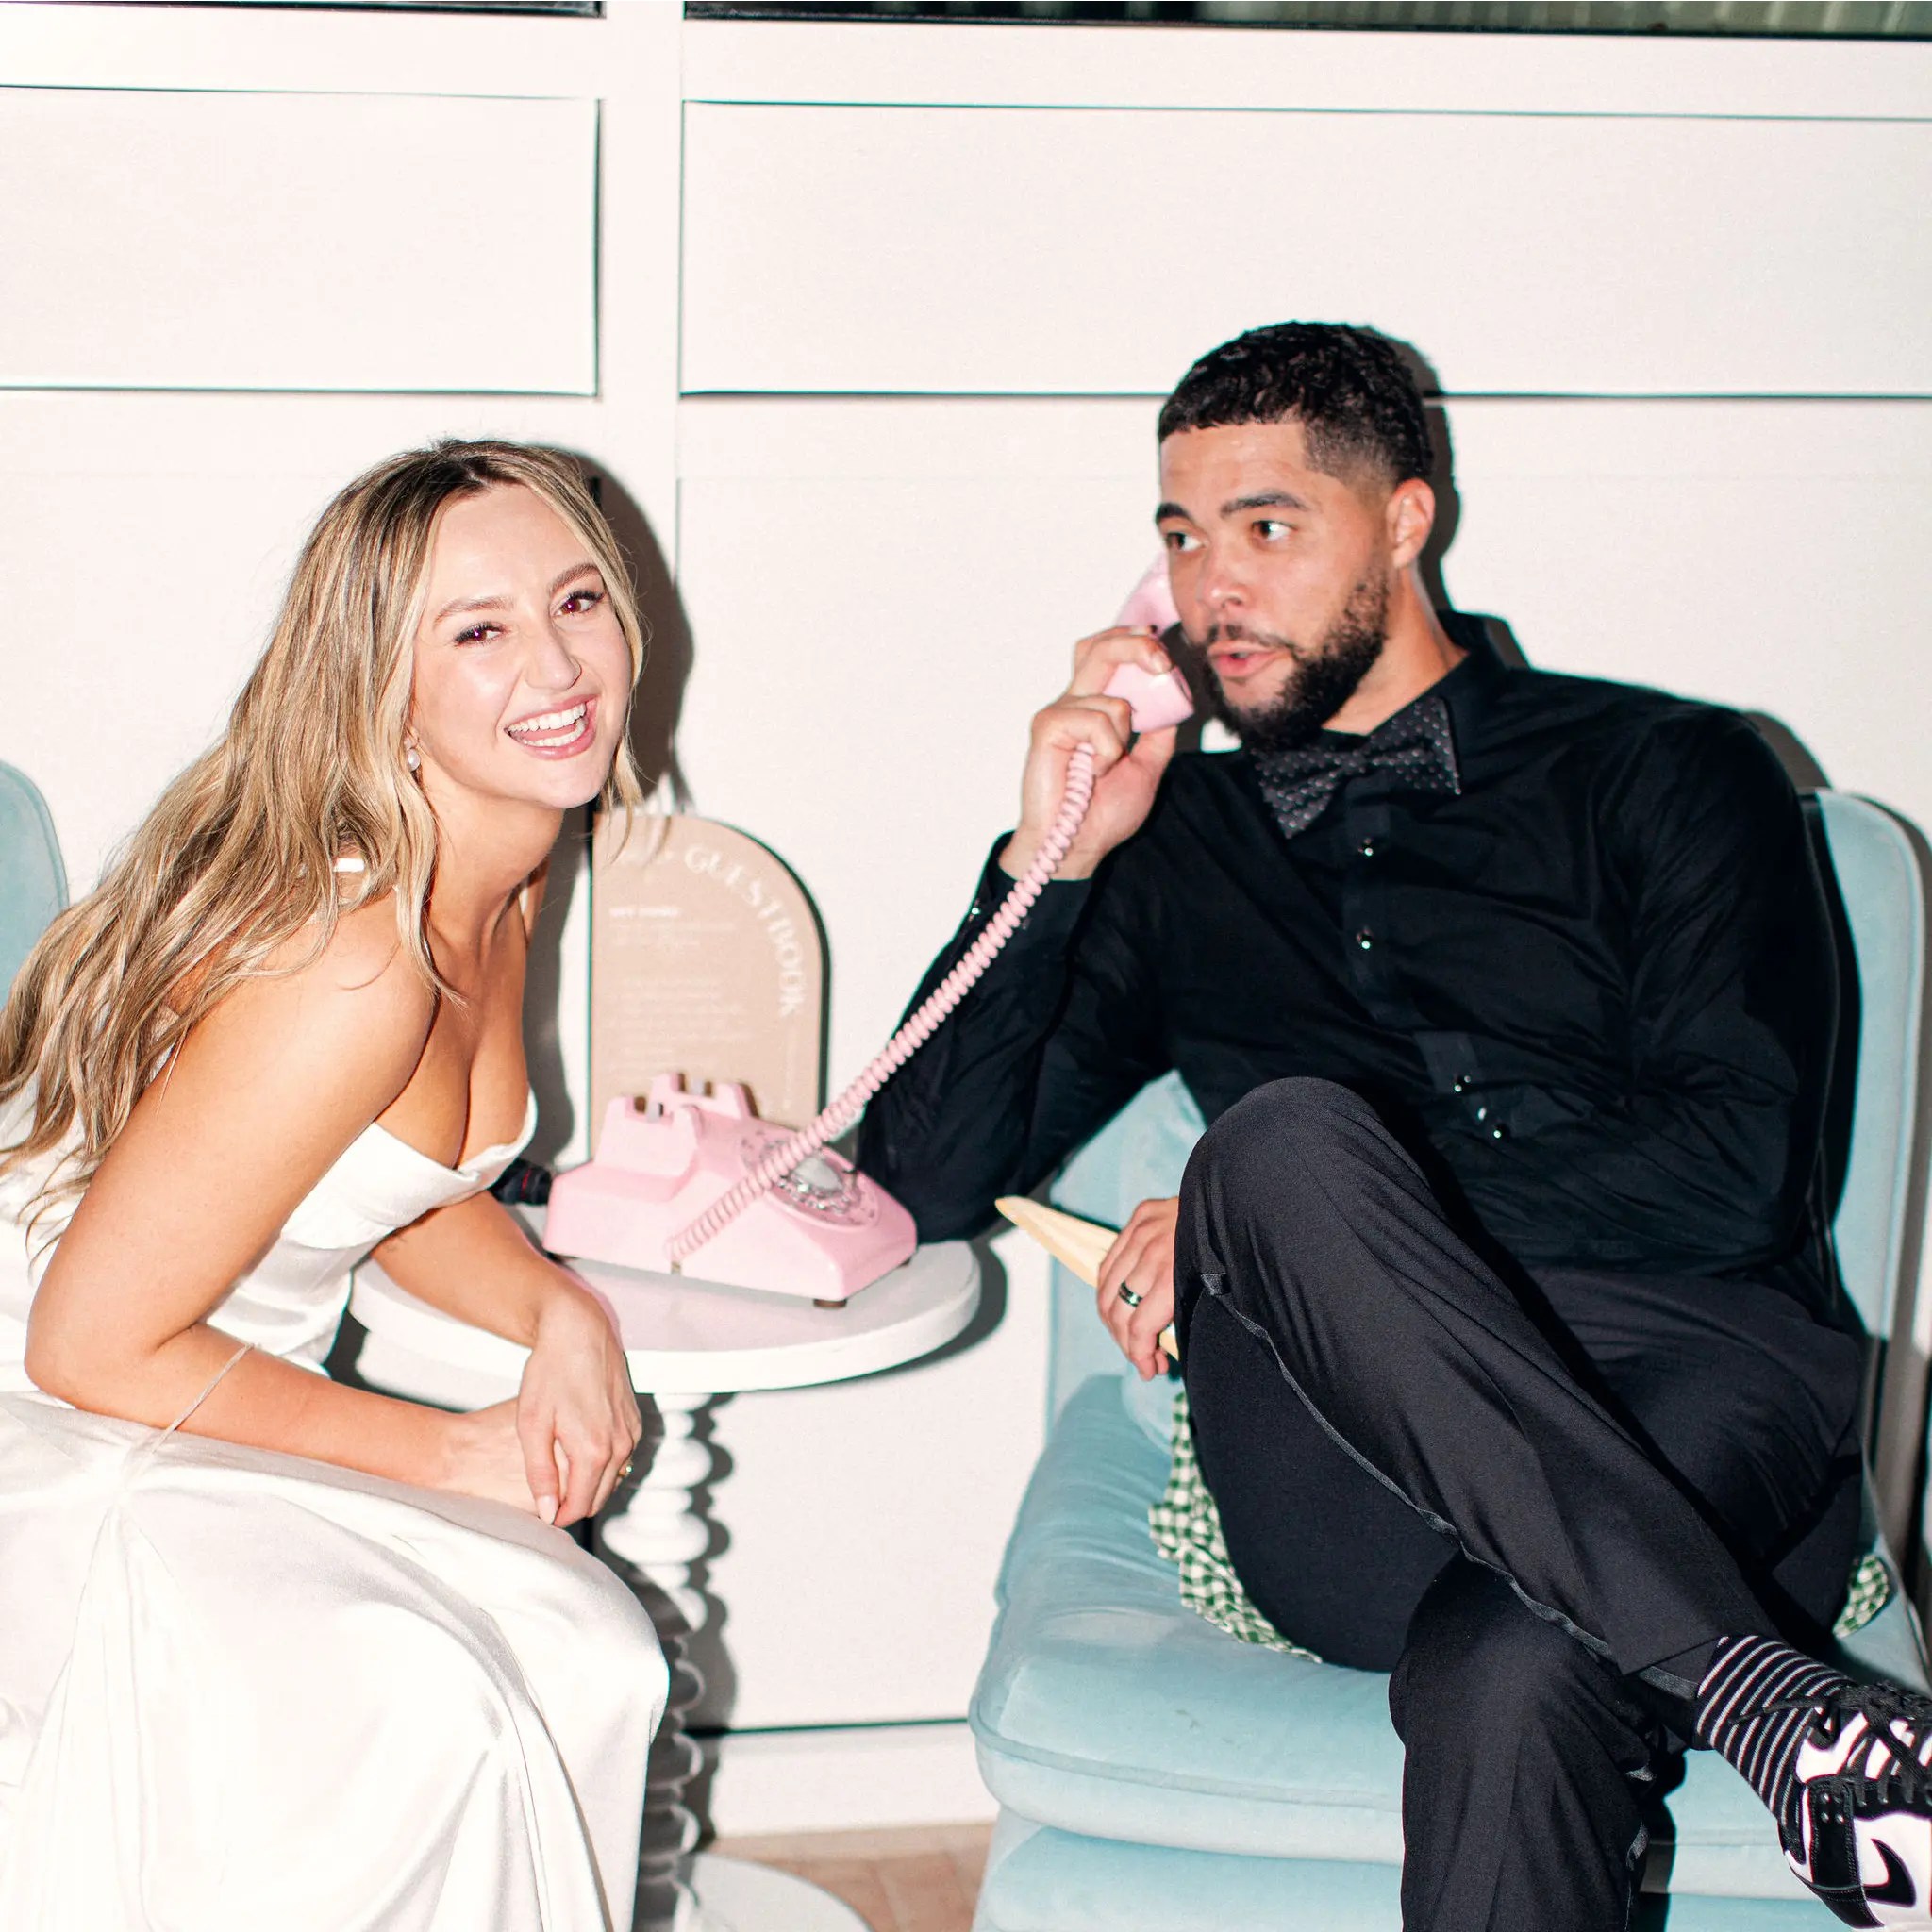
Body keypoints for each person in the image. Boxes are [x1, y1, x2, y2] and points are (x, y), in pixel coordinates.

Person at [858, 324, 1932, 1929]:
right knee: (1280, 1143)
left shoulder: (1674, 770)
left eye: (1268, 528)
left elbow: (1736, 1174)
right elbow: (917, 1185)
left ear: (1408, 520)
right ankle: (1767, 1699)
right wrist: (1052, 852)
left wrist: (1270, 1216)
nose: (1215, 587)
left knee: (1516, 1659)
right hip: (1333, 1448)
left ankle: (1755, 1698)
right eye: (1180, 537)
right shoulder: (1168, 848)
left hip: (1690, 1383)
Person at [0, 441, 668, 1930]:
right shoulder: (353, 957)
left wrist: (563, 1314)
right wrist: (441, 1455)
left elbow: (387, 1187)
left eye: (578, 600)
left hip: (197, 1396)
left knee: (596, 1659)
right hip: (58, 1414)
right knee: (429, 1713)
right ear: (383, 685)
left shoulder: (506, 863)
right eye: (478, 630)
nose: (557, 664)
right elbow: (86, 1343)